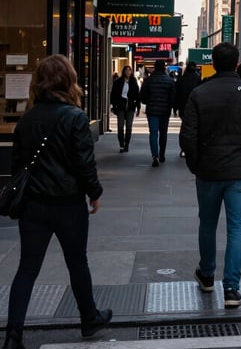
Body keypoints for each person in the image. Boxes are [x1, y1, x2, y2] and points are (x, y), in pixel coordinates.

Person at [3, 55, 112, 349]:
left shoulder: (26, 119)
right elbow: (84, 164)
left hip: (33, 205)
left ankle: (13, 334)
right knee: (77, 262)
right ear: (68, 80)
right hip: (67, 203)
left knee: (27, 268)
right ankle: (89, 318)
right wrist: (95, 193)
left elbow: (18, 167)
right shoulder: (75, 117)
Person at [179, 42, 241, 309]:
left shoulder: (199, 93)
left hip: (208, 170)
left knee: (207, 224)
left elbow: (187, 135)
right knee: (237, 228)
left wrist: (196, 164)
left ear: (214, 64)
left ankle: (207, 274)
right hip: (239, 171)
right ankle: (232, 288)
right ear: (236, 64)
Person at [139, 59, 176, 167]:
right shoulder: (170, 81)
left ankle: (154, 155)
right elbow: (173, 97)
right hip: (165, 110)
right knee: (163, 133)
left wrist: (147, 102)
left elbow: (143, 96)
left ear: (155, 67)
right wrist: (171, 107)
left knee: (153, 133)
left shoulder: (148, 80)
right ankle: (162, 154)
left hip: (152, 110)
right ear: (164, 67)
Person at [109, 65, 140, 153]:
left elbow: (137, 94)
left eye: (129, 70)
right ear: (123, 72)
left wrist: (138, 106)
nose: (128, 72)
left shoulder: (133, 82)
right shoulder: (118, 82)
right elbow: (113, 94)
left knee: (129, 127)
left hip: (130, 106)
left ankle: (127, 144)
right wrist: (114, 105)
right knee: (120, 126)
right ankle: (121, 144)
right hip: (121, 106)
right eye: (126, 70)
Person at [175, 61, 202, 158]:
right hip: (195, 107)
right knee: (195, 128)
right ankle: (193, 147)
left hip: (183, 107)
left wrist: (175, 108)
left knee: (184, 128)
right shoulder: (198, 79)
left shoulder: (181, 79)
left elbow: (177, 93)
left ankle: (184, 148)